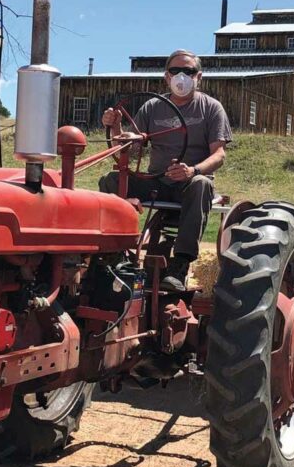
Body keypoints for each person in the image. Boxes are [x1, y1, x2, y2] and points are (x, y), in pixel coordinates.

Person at [99, 49, 232, 291]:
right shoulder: (153, 107)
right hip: (157, 183)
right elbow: (130, 146)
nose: (182, 76)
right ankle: (116, 254)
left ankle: (179, 266)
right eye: (175, 71)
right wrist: (116, 125)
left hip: (189, 184)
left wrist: (193, 170)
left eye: (189, 71)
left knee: (201, 185)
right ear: (166, 77)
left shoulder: (211, 108)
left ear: (198, 77)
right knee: (110, 180)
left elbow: (219, 154)